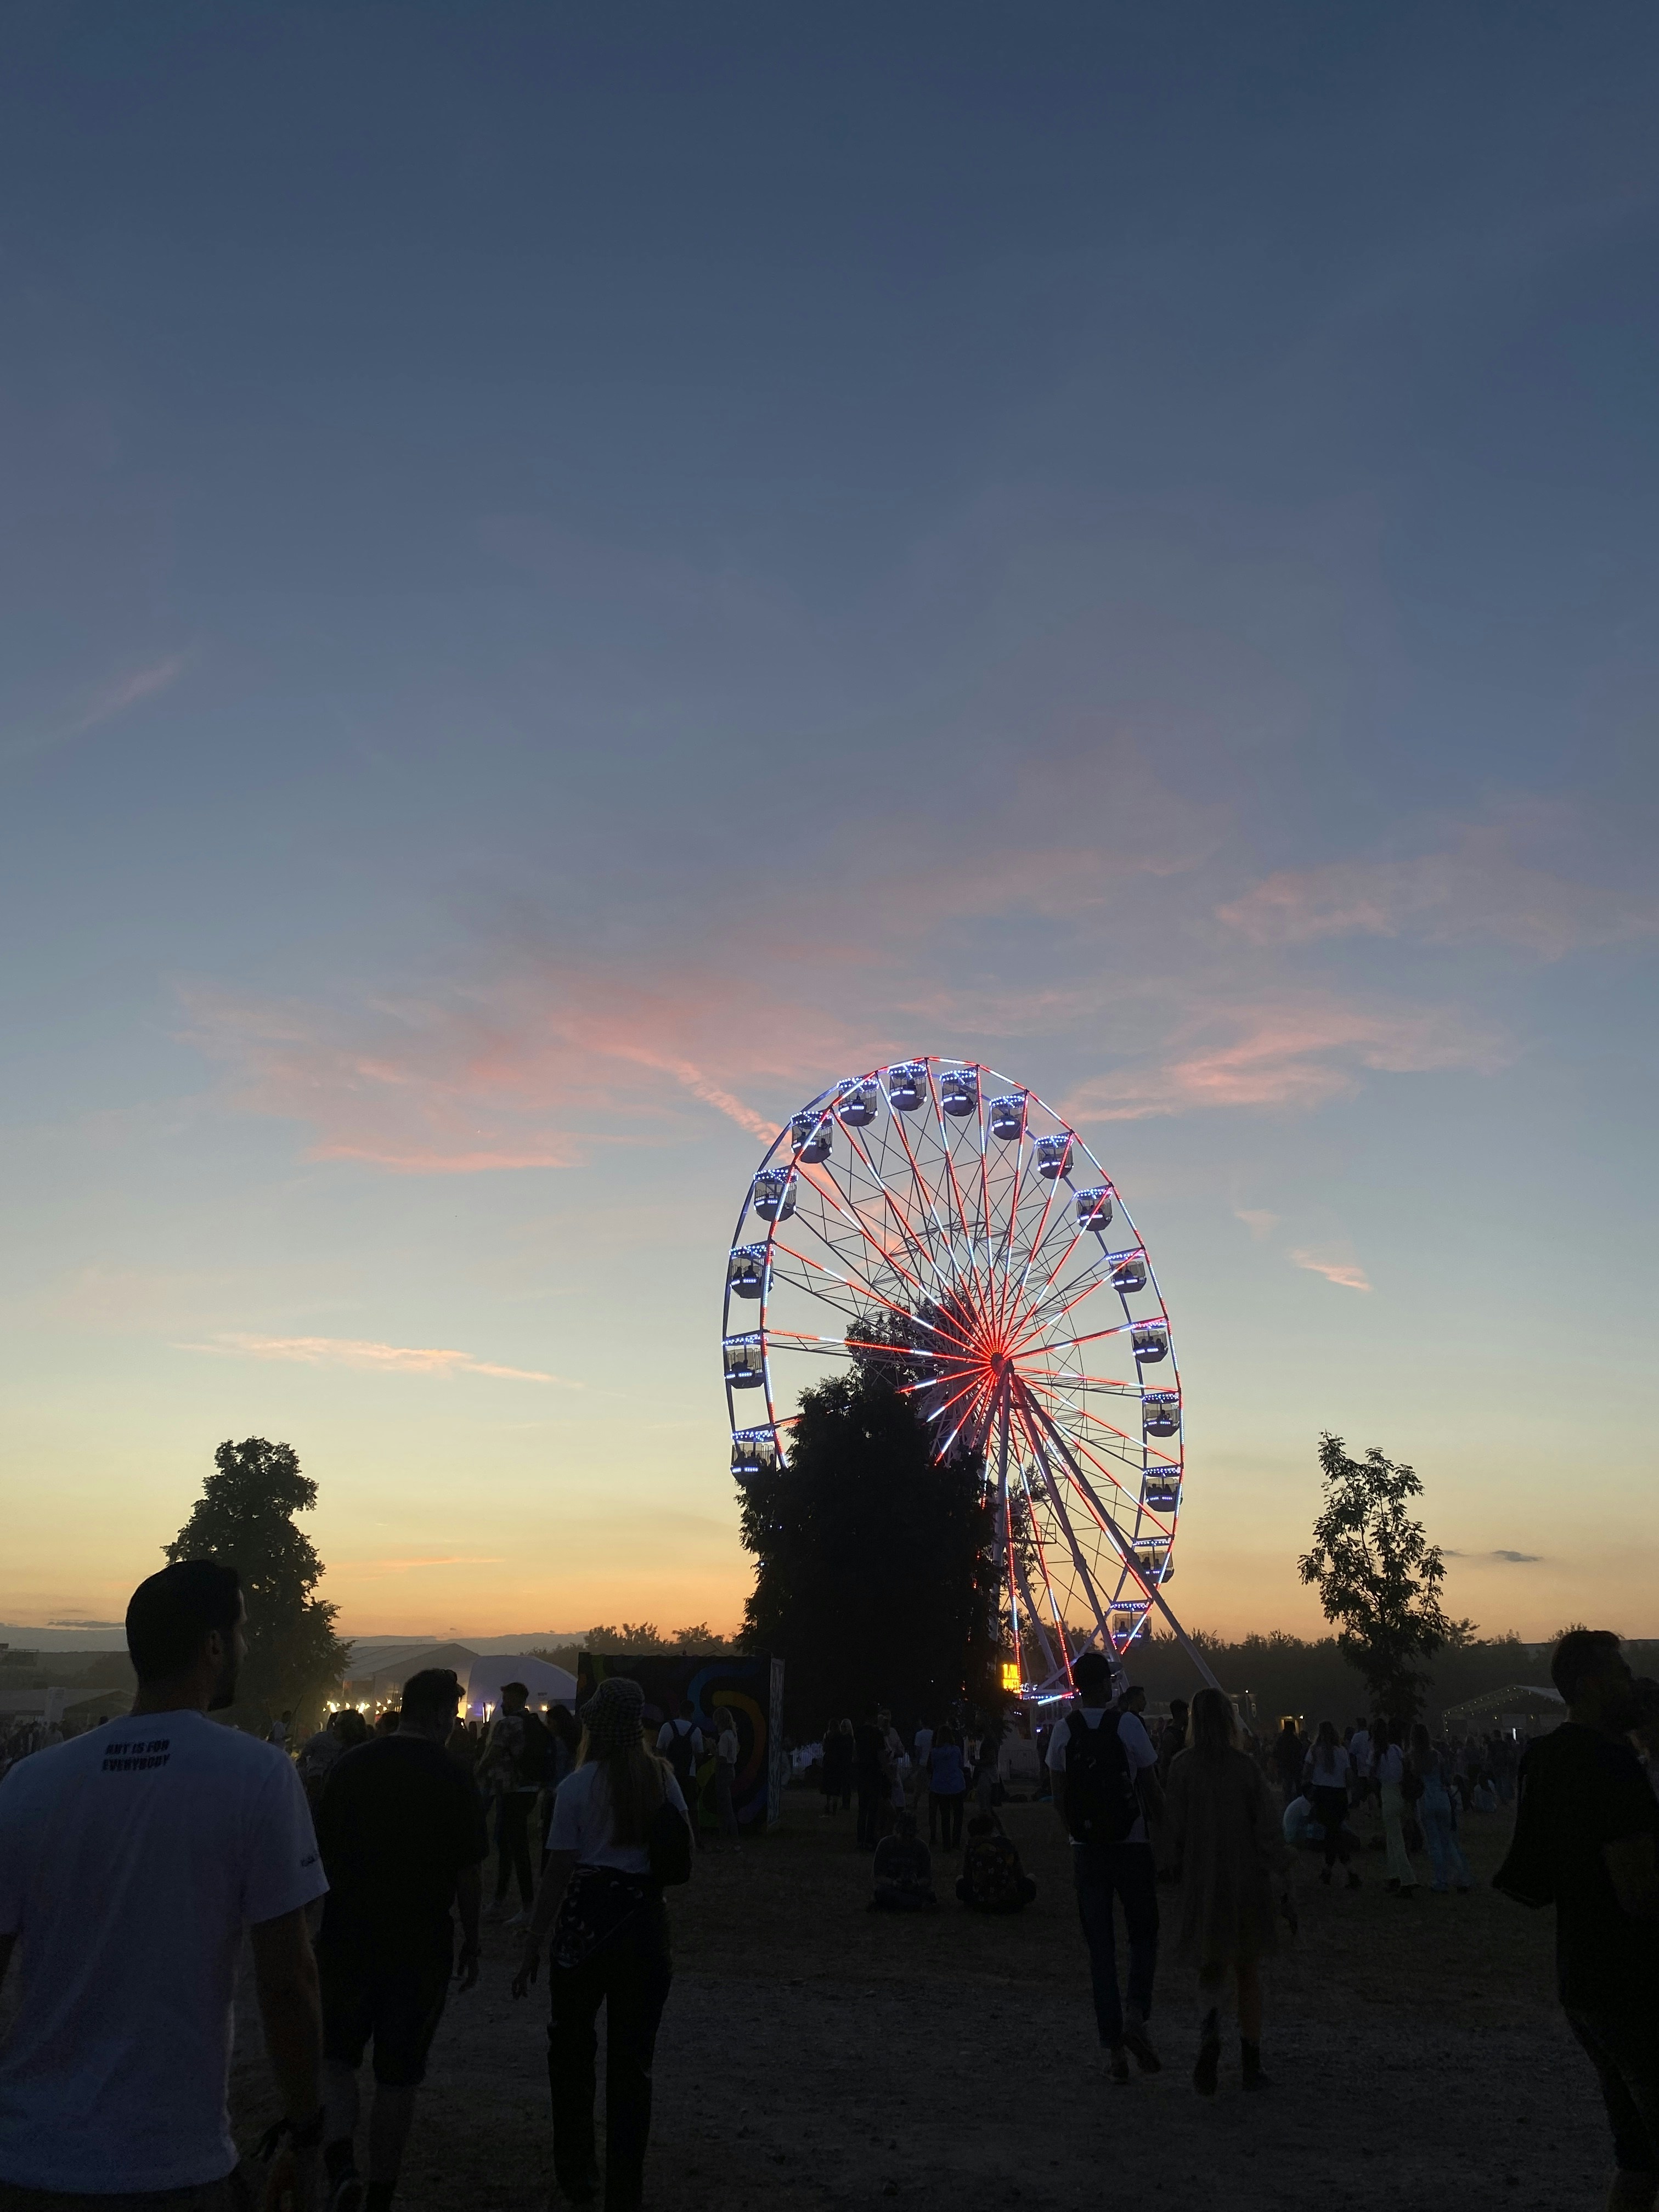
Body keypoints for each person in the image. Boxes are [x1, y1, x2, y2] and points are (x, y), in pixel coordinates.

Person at [0, 1561, 328, 2207]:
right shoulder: (256, 1775)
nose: (245, 1646)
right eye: (241, 1631)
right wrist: (308, 2127)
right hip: (168, 2160)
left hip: (28, 2155)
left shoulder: (29, 1783)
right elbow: (287, 1982)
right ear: (213, 1646)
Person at [512, 1678, 690, 2212]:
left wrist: (532, 1943)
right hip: (644, 1932)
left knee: (570, 2055)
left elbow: (556, 1875)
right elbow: (684, 1857)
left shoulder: (575, 1789)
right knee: (632, 2067)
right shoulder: (664, 1782)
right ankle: (624, 2190)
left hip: (582, 1935)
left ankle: (577, 2173)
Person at [1495, 1630, 1659, 2212]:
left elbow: (1535, 1875)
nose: (1631, 1685)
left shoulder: (1546, 1757)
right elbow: (1640, 1889)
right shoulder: (1611, 1765)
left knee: (1636, 2157)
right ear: (1592, 1686)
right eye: (1620, 1674)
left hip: (1582, 1976)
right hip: (1634, 1980)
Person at [314, 1668, 487, 2212]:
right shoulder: (454, 1776)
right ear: (437, 1712)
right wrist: (473, 1939)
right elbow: (468, 1874)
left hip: (347, 1934)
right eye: (453, 1713)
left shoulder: (351, 1767)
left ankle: (341, 2163)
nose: (454, 1724)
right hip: (418, 1943)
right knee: (397, 2076)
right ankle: (381, 2195)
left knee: (338, 2060)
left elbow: (319, 1855)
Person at [1162, 1686, 1294, 2096]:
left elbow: (1173, 1832)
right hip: (1246, 1880)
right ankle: (1251, 2061)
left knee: (1210, 1967)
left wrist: (1171, 1868)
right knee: (1248, 1972)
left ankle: (1209, 2033)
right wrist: (1284, 1877)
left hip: (1203, 1880)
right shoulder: (1246, 1768)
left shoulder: (1182, 1768)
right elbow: (1268, 1830)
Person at [1048, 1649, 1162, 2085]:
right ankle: (1136, 2013)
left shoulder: (1063, 1730)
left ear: (1077, 1688)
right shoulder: (1129, 1725)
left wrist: (1072, 1834)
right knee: (1144, 1934)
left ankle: (1111, 2050)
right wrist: (1168, 1835)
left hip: (1087, 1849)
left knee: (1100, 1949)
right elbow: (1151, 1789)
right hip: (1131, 1844)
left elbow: (1058, 1794)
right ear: (1108, 1686)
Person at [482, 1683, 554, 1922]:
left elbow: (492, 1756)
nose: (503, 1703)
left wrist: (476, 1772)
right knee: (510, 1842)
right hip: (530, 1789)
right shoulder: (535, 1724)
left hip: (511, 1789)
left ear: (513, 1698)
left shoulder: (508, 1724)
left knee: (514, 1846)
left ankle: (526, 1904)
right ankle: (504, 1901)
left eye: (505, 1698)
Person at [1409, 1723, 1472, 1894]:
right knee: (1449, 1840)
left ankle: (1440, 1880)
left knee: (1434, 1843)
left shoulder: (1414, 1757)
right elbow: (1446, 1778)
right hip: (1442, 1798)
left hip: (1426, 1800)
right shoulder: (1436, 1755)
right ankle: (1462, 1878)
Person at [1304, 1721, 1359, 1889]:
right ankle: (1340, 1872)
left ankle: (1334, 1871)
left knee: (1332, 1834)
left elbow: (1306, 1772)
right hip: (1339, 1795)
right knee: (1334, 1833)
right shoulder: (1341, 1752)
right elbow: (1349, 1775)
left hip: (1322, 1794)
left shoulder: (1314, 1751)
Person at [1374, 1720, 1419, 1895]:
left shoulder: (1376, 1754)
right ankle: (1393, 1875)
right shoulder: (1396, 1750)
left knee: (1396, 1840)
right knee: (1393, 1839)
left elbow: (1373, 1776)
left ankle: (1407, 1879)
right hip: (1399, 1793)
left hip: (1387, 1793)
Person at [956, 1814, 1036, 1912]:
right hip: (1009, 1902)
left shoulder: (972, 1846)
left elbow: (967, 1876)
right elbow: (1019, 1875)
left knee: (960, 1880)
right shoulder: (1007, 1844)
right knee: (1031, 1878)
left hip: (980, 1902)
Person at [298, 1706, 372, 1810]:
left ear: (347, 1728)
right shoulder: (349, 1751)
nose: (333, 1729)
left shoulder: (353, 1757)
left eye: (337, 1725)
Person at [870, 1811, 936, 1911]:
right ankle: (918, 1904)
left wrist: (916, 1884)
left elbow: (927, 1878)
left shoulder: (922, 1847)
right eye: (904, 1835)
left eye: (911, 1836)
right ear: (898, 1832)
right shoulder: (885, 1845)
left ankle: (896, 1905)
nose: (908, 1839)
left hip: (913, 1888)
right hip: (892, 1887)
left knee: (928, 1893)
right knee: (882, 1891)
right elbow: (878, 1876)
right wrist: (894, 1883)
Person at [655, 1700, 704, 1830]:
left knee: (669, 1806)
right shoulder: (696, 1731)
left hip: (670, 1775)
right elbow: (700, 1756)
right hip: (689, 1775)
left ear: (679, 1711)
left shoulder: (667, 1727)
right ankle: (693, 1838)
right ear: (692, 1713)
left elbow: (659, 1752)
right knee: (691, 1808)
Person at [853, 1705, 889, 1852]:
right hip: (874, 1773)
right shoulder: (877, 1734)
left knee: (862, 1808)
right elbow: (881, 1755)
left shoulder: (859, 1732)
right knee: (873, 1808)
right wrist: (886, 1771)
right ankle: (869, 1839)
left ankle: (860, 1839)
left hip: (862, 1772)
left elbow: (856, 1753)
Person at [928, 1723, 968, 1852]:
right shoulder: (956, 1750)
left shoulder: (934, 1752)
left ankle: (946, 1844)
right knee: (958, 1815)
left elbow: (933, 1767)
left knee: (944, 1816)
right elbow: (961, 1764)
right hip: (956, 1784)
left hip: (940, 1786)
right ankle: (956, 1843)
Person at [712, 1705, 741, 1849]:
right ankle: (724, 1842)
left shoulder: (724, 1737)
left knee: (726, 1809)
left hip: (723, 1771)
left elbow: (722, 1758)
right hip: (730, 1770)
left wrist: (712, 1748)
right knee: (725, 1808)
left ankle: (733, 1842)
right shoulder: (732, 1735)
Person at [821, 1720, 851, 1815]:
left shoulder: (827, 1735)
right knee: (836, 1785)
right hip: (837, 1763)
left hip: (828, 1762)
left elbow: (824, 1748)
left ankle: (828, 1804)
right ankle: (835, 1805)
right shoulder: (841, 1737)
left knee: (828, 1785)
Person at [1272, 1718, 1304, 1809]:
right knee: (1297, 1786)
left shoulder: (1281, 1740)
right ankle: (1298, 1803)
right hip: (1295, 1765)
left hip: (1284, 1765)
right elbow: (1300, 1750)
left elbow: (1275, 1753)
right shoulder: (1295, 1740)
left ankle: (1288, 1804)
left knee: (1287, 1786)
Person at [1158, 1699, 1189, 1781]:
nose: (1188, 1716)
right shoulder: (1170, 1736)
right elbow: (1165, 1762)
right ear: (1182, 1714)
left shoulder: (1178, 1733)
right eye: (1186, 1713)